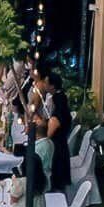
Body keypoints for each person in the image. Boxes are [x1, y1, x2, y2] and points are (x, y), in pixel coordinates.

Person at [36, 65, 72, 193]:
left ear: (52, 86)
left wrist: (40, 133)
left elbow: (48, 134)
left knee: (56, 179)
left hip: (57, 147)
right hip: (60, 144)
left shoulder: (57, 103)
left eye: (46, 83)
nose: (44, 85)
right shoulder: (59, 97)